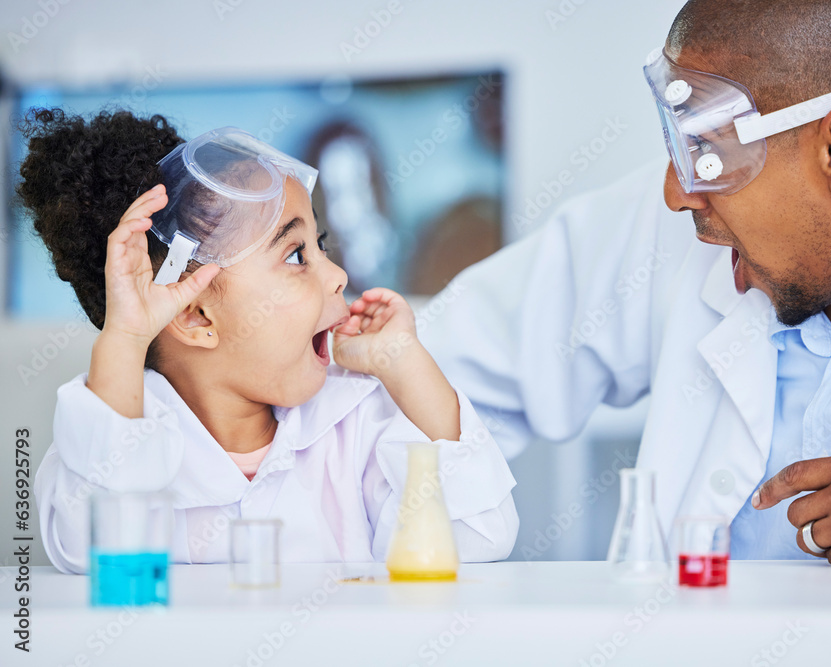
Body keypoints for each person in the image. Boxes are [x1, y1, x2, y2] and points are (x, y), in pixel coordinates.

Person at [420, 0, 831, 571]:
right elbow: (428, 368)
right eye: (683, 145)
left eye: (711, 151)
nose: (678, 193)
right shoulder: (668, 225)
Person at [20, 109, 517, 574]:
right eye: (297, 256)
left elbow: (477, 537)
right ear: (194, 315)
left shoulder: (358, 420)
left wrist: (407, 365)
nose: (339, 275)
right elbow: (91, 551)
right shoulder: (113, 439)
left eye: (320, 245)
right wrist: (126, 338)